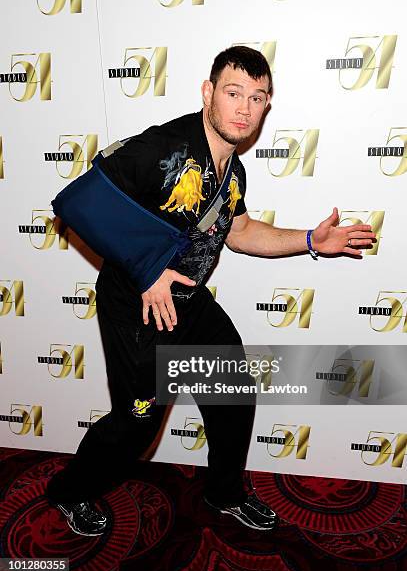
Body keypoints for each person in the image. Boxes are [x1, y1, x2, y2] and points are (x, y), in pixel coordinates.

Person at [47, 46, 375, 536]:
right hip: (136, 308)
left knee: (235, 393)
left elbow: (239, 232)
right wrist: (147, 268)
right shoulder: (163, 148)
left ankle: (224, 493)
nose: (244, 108)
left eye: (257, 97)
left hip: (186, 302)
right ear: (209, 93)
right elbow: (74, 202)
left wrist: (309, 241)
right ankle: (68, 491)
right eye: (233, 92)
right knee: (136, 426)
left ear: (267, 106)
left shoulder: (233, 172)